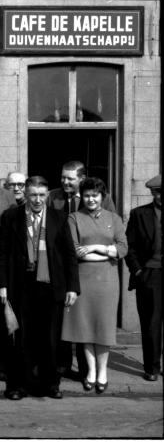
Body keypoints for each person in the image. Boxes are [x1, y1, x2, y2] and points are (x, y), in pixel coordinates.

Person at [0, 176, 80, 400]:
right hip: (20, 285)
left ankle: (50, 384)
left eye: (42, 195)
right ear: (26, 194)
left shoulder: (59, 218)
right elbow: (1, 254)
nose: (37, 200)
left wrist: (72, 287)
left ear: (47, 196)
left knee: (50, 338)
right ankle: (17, 386)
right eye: (33, 195)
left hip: (50, 286)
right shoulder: (11, 216)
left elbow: (70, 254)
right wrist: (1, 285)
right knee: (20, 337)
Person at [62, 177, 127, 393]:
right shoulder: (74, 218)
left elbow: (122, 249)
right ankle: (90, 371)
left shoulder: (114, 219)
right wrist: (108, 253)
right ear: (83, 196)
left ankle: (103, 372)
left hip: (107, 282)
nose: (91, 199)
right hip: (83, 280)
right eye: (87, 195)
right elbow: (73, 250)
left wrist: (94, 248)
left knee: (104, 327)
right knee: (85, 327)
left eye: (95, 195)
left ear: (102, 196)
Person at [125, 175, 162, 381]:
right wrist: (138, 271)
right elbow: (130, 247)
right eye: (157, 192)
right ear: (151, 192)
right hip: (150, 274)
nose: (160, 196)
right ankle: (152, 368)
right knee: (151, 323)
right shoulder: (139, 214)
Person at [46, 160, 116, 214]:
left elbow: (113, 225)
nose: (65, 182)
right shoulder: (51, 196)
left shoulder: (104, 199)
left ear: (82, 178)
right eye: (63, 177)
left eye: (70, 179)